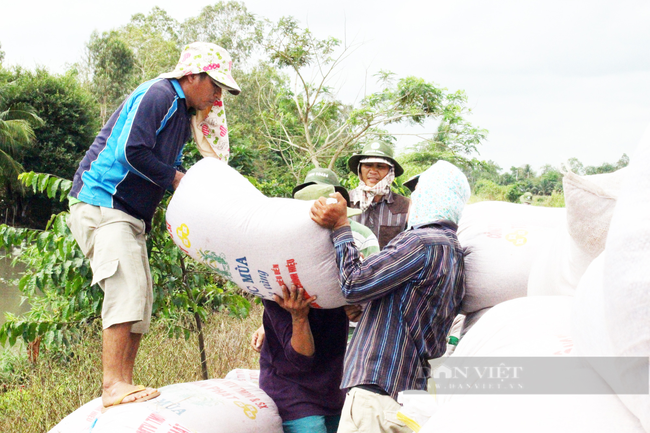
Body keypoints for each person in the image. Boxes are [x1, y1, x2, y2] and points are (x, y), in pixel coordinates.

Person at [66, 42, 241, 409]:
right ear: (192, 76)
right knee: (126, 287)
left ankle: (124, 383)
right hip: (103, 201)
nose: (216, 96)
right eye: (214, 85)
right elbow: (131, 151)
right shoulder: (159, 94)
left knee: (141, 299)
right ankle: (112, 384)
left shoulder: (181, 113)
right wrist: (180, 181)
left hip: (131, 214)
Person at [310, 160, 470, 433]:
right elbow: (411, 309)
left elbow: (353, 283)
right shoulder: (453, 252)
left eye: (418, 192)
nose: (412, 201)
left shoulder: (420, 242)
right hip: (408, 398)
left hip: (377, 395)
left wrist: (339, 226)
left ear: (431, 196)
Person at [347, 142, 410, 249]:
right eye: (368, 165)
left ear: (390, 172)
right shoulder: (344, 201)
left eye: (380, 167)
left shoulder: (405, 206)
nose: (373, 171)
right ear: (360, 169)